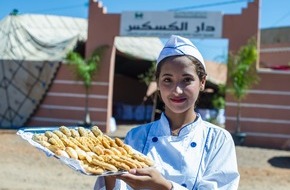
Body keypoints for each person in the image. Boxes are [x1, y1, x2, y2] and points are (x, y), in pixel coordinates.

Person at [94, 35, 240, 190]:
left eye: (187, 79)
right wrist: (109, 172)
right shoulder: (136, 137)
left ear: (202, 82)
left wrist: (164, 186)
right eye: (167, 80)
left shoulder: (217, 140)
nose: (177, 90)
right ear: (157, 83)